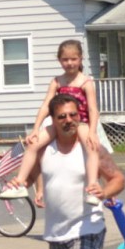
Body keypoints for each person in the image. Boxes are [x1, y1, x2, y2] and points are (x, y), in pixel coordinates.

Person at [9, 94, 125, 249]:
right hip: (56, 229)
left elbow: (118, 179)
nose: (69, 120)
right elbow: (28, 178)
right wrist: (18, 183)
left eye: (74, 115)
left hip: (88, 225)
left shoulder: (91, 145)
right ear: (53, 119)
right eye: (62, 116)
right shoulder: (43, 148)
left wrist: (103, 193)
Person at [26, 39, 101, 206]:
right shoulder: (57, 81)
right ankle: (25, 184)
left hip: (80, 123)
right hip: (58, 124)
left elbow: (93, 109)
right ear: (59, 60)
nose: (69, 63)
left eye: (73, 59)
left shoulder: (86, 82)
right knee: (34, 145)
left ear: (81, 59)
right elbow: (46, 105)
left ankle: (92, 188)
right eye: (65, 59)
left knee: (91, 147)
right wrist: (35, 129)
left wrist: (92, 132)